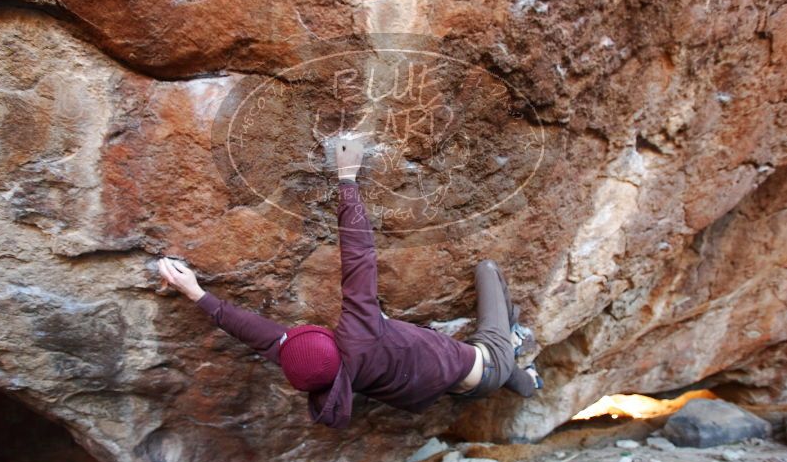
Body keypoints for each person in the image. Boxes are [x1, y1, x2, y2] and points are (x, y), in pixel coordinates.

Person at [157, 137, 542, 429]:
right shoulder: (358, 336)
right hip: (484, 362)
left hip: (453, 386)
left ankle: (527, 381)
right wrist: (346, 178)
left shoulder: (322, 378)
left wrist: (197, 293)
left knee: (512, 378)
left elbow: (262, 337)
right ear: (331, 342)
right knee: (489, 271)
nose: (292, 332)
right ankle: (513, 341)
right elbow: (358, 258)